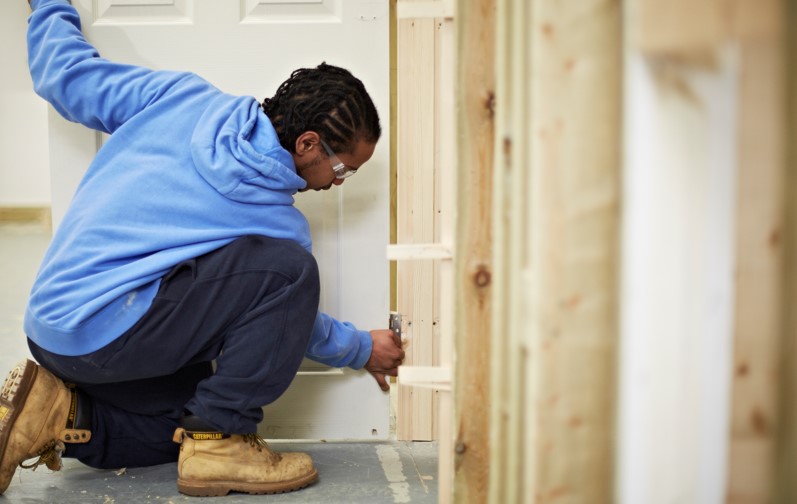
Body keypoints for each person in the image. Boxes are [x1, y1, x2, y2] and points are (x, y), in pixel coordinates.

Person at [0, 0, 404, 497]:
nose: (338, 184)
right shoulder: (278, 226)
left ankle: (55, 411)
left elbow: (66, 76)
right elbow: (294, 323)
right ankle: (223, 444)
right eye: (342, 170)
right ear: (307, 144)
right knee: (291, 274)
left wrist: (50, 4)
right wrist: (361, 348)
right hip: (106, 334)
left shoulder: (181, 96)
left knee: (187, 422)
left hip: (52, 331)